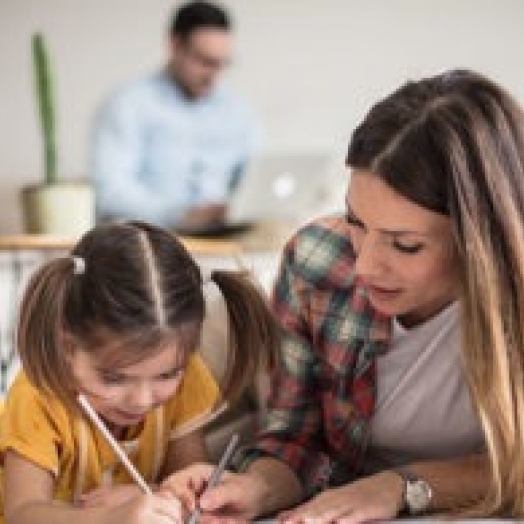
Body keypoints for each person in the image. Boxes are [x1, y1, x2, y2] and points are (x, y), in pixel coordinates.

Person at [167, 69, 524, 521]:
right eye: (356, 222)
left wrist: (401, 487)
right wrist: (257, 489)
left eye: (405, 244)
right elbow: (295, 436)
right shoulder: (318, 260)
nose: (365, 265)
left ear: (480, 241)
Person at [0, 221, 279, 524]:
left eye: (167, 374)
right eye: (114, 378)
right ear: (66, 344)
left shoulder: (188, 379)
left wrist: (164, 496)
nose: (141, 400)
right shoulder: (38, 395)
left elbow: (186, 483)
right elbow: (22, 513)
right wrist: (113, 518)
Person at [90, 1, 257, 230]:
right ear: (175, 45)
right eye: (204, 61)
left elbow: (254, 178)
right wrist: (181, 215)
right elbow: (110, 194)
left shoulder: (237, 109)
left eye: (222, 63)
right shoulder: (128, 103)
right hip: (152, 244)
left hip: (225, 242)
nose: (214, 74)